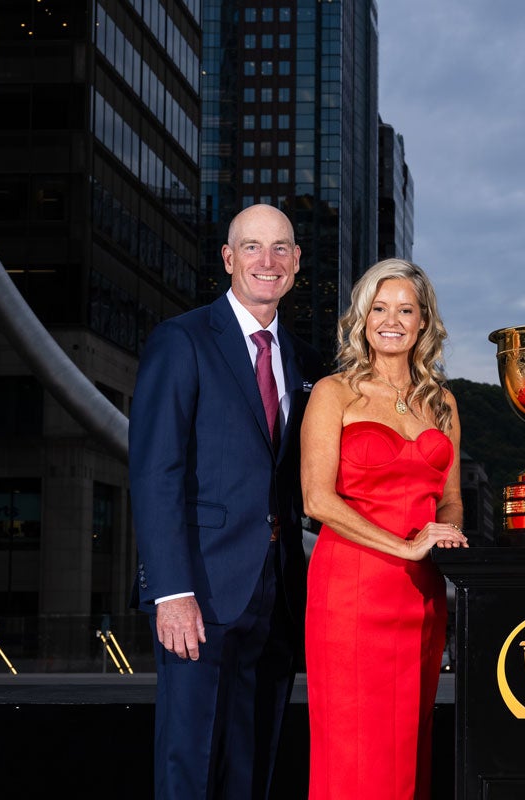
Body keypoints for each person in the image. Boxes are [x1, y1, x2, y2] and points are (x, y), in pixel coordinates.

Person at [130, 203, 325, 798]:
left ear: (295, 263)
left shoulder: (300, 357)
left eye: (280, 249)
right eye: (252, 247)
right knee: (189, 761)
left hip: (276, 594)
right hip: (200, 593)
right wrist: (171, 591)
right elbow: (154, 471)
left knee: (253, 761)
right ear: (228, 258)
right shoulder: (181, 340)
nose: (267, 262)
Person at [300, 258, 467, 799]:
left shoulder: (442, 403)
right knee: (352, 748)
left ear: (424, 323)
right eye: (378, 307)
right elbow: (317, 500)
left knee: (408, 745)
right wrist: (404, 545)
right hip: (350, 589)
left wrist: (447, 534)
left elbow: (452, 501)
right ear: (362, 318)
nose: (390, 319)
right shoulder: (334, 392)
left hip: (420, 596)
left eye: (405, 309)